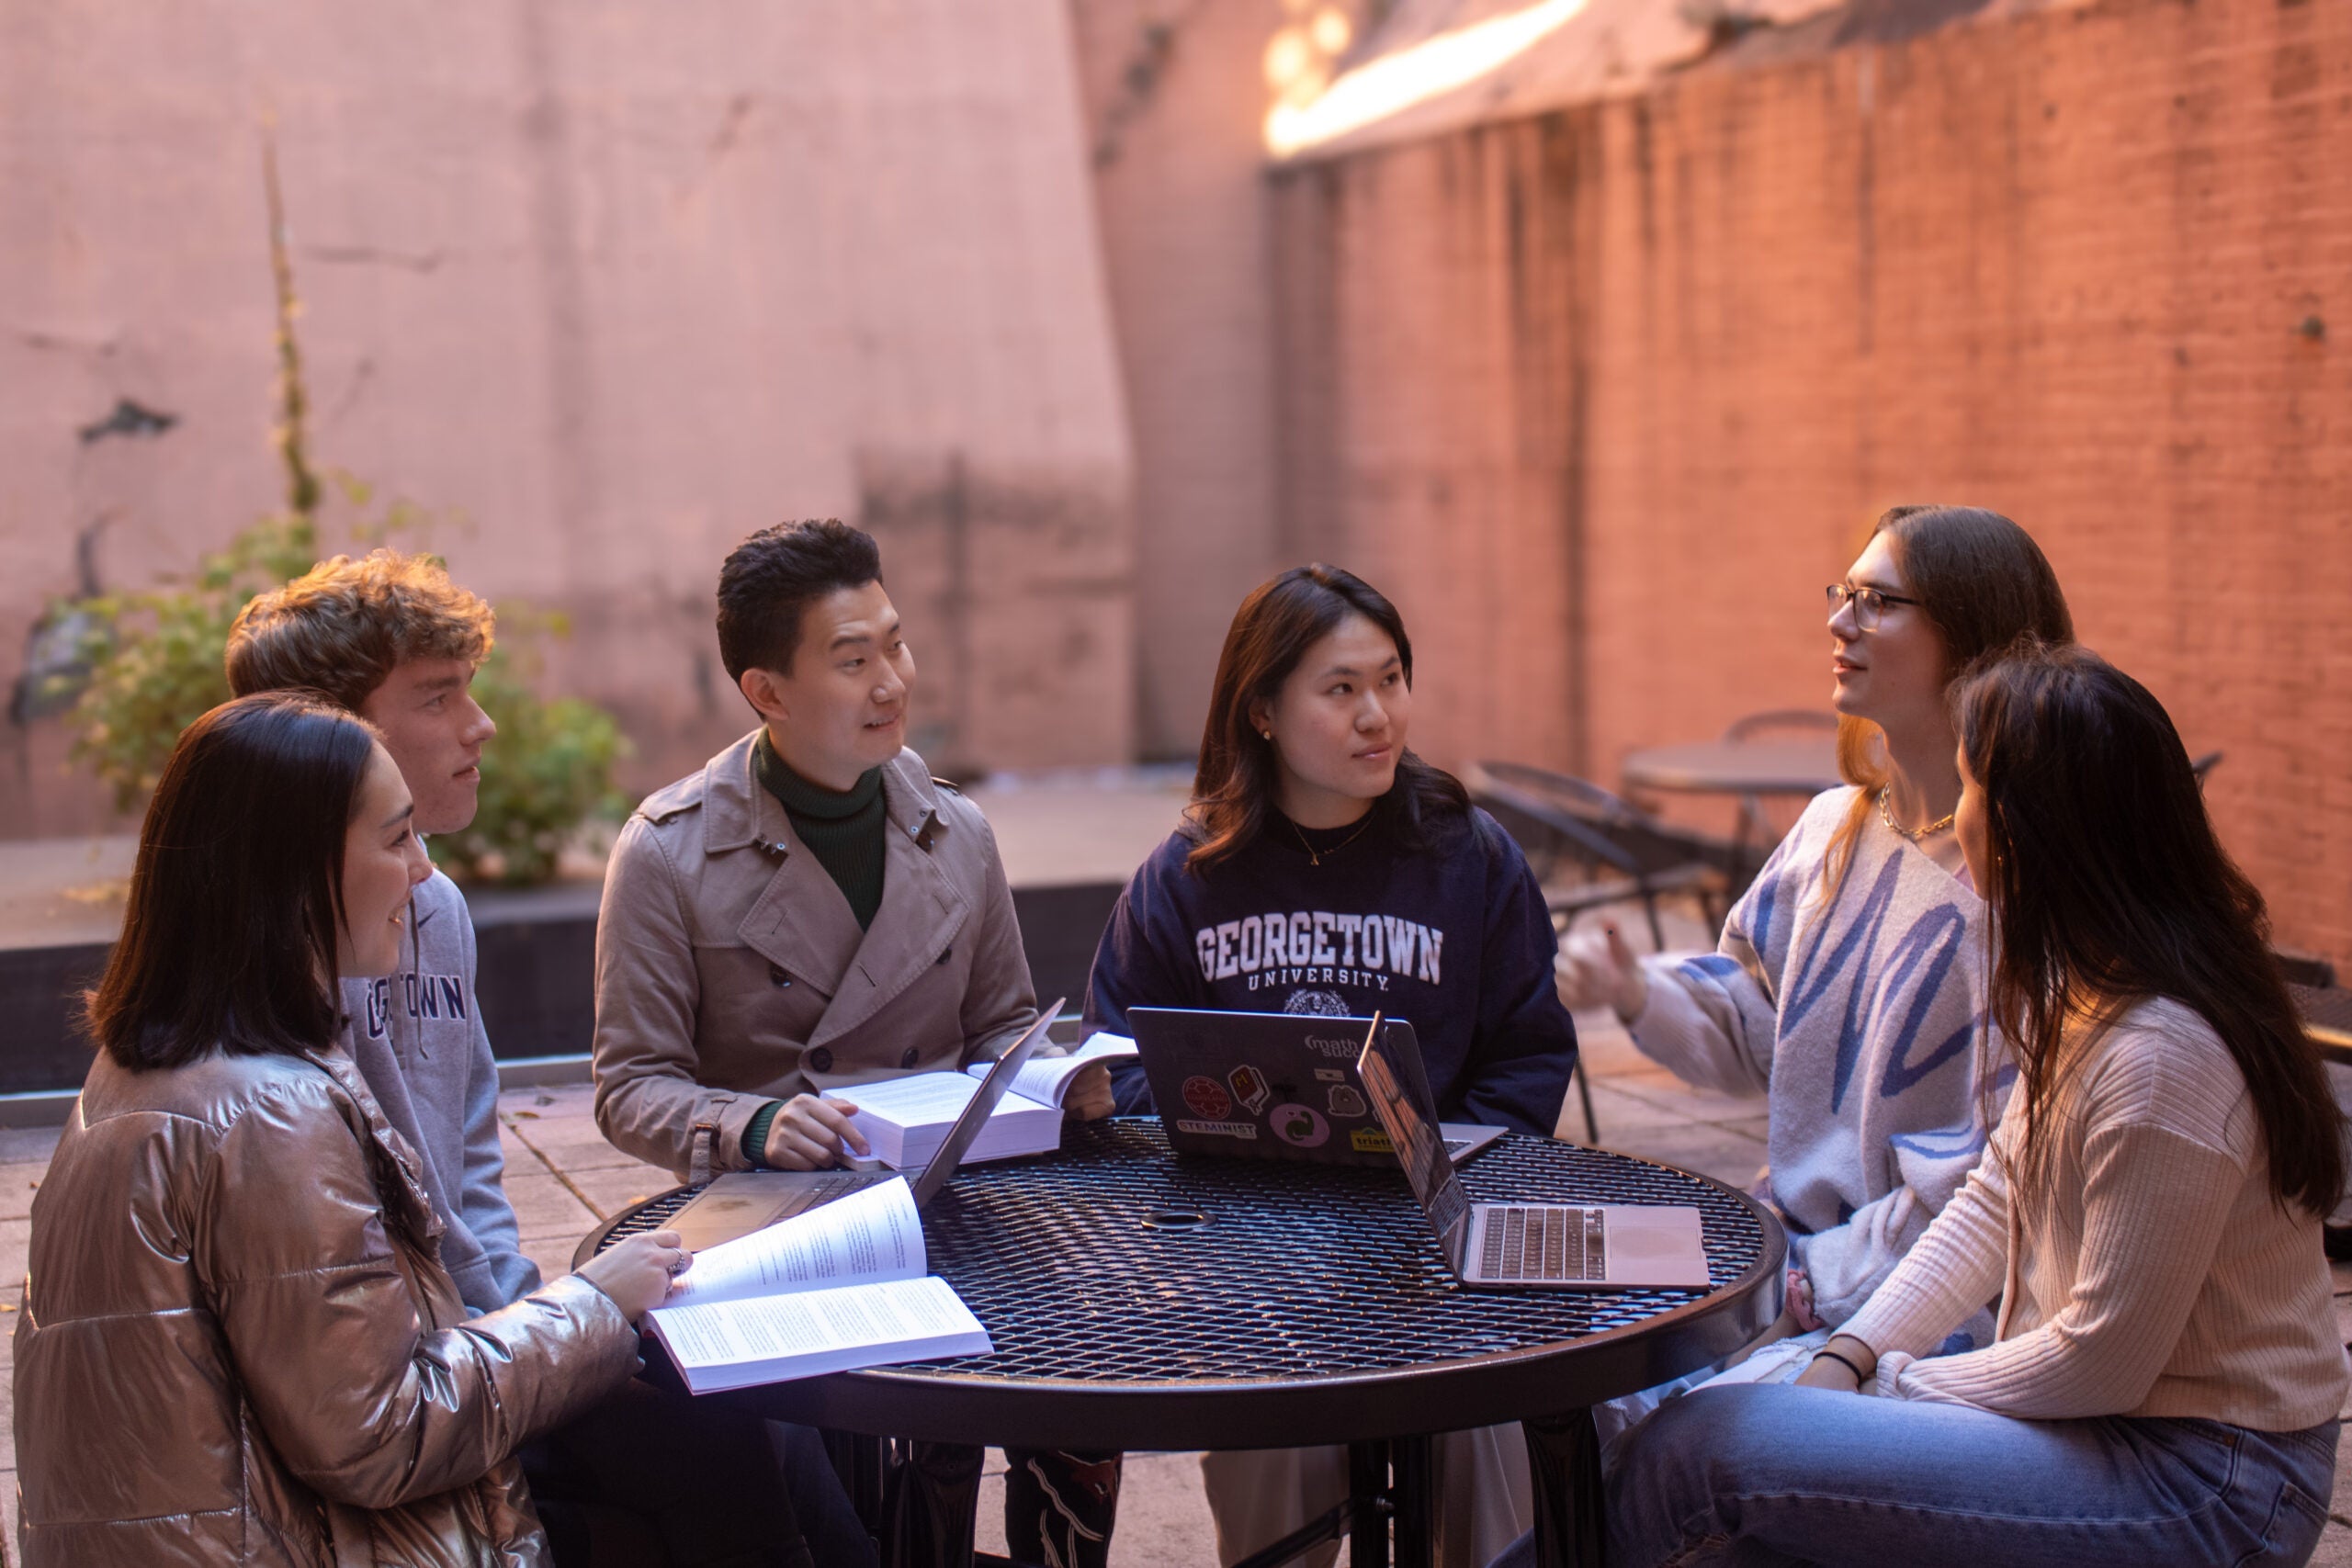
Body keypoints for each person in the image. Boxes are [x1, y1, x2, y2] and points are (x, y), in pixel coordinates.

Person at [1594, 642, 2347, 1568]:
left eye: (1970, 790)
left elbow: (2095, 1359)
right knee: (1742, 1534)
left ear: (2035, 833)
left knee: (1698, 1450)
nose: (1956, 816)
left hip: (2209, 1479)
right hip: (2116, 1428)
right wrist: (1847, 1355)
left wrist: (1889, 1391)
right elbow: (1991, 1203)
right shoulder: (2084, 986)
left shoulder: (2160, 1056)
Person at [226, 552, 867, 1568]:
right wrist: (553, 1336)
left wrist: (542, 1318)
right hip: (406, 1383)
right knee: (711, 1443)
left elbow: (470, 1157)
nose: (480, 726)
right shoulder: (269, 956)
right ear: (327, 736)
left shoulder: (434, 912)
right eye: (440, 698)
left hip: (495, 1328)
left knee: (761, 1405)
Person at [13, 693, 684, 1565]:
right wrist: (593, 1305)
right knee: (714, 1465)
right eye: (397, 838)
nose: (420, 874)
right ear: (295, 873)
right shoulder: (266, 1114)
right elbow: (380, 1430)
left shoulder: (149, 1066)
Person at [592, 518, 1122, 1568]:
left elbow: (999, 1029)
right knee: (826, 1497)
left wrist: (1061, 1083)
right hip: (773, 1229)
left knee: (1081, 1376)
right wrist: (752, 1121)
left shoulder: (955, 831)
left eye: (896, 644)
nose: (892, 681)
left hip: (947, 1206)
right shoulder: (669, 853)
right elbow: (630, 1085)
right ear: (767, 691)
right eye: (853, 659)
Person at [1083, 563, 1579, 1567]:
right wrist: (1213, 1153)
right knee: (1272, 1451)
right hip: (1256, 1248)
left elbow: (1529, 1051)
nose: (1377, 716)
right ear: (1261, 710)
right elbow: (1120, 1062)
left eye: (1391, 679)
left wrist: (1449, 1173)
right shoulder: (1189, 873)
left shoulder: (1468, 856)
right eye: (1341, 689)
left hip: (1439, 1243)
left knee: (1488, 1443)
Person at [1554, 505, 2074, 1420]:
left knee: (1630, 1424)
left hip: (1916, 1308)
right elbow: (1765, 1030)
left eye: (1879, 602)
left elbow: (1986, 1192)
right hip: (1781, 1256)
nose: (1839, 622)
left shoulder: (2025, 895)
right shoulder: (1832, 828)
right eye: (1844, 594)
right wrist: (1638, 992)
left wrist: (1796, 1287)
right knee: (1541, 1343)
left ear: (1974, 637)